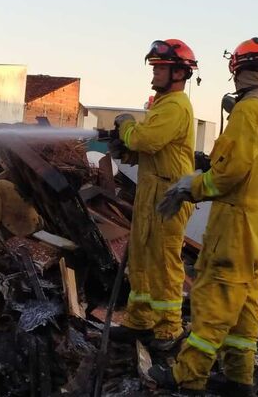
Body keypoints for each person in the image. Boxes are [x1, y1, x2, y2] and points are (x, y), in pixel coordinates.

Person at [150, 37, 258, 395]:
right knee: (245, 303)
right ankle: (240, 379)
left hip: (235, 222)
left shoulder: (248, 111)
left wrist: (188, 187)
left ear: (235, 68)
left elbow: (229, 172)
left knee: (215, 298)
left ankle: (187, 377)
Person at [107, 39, 198, 351]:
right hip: (152, 189)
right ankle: (140, 321)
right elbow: (152, 151)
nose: (155, 72)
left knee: (164, 261)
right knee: (143, 257)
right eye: (155, 67)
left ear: (178, 73)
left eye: (161, 68)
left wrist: (128, 128)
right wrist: (129, 153)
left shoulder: (175, 106)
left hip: (168, 193)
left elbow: (147, 140)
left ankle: (169, 327)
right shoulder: (162, 106)